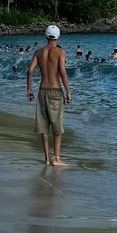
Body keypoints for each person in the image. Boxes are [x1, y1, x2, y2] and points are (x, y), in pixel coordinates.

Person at [26, 25, 71, 166]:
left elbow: (30, 71)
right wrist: (68, 91)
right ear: (58, 37)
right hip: (55, 91)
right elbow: (62, 72)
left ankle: (46, 158)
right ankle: (56, 158)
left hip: (42, 91)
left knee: (43, 126)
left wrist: (29, 89)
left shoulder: (38, 52)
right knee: (57, 126)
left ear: (46, 36)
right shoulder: (60, 52)